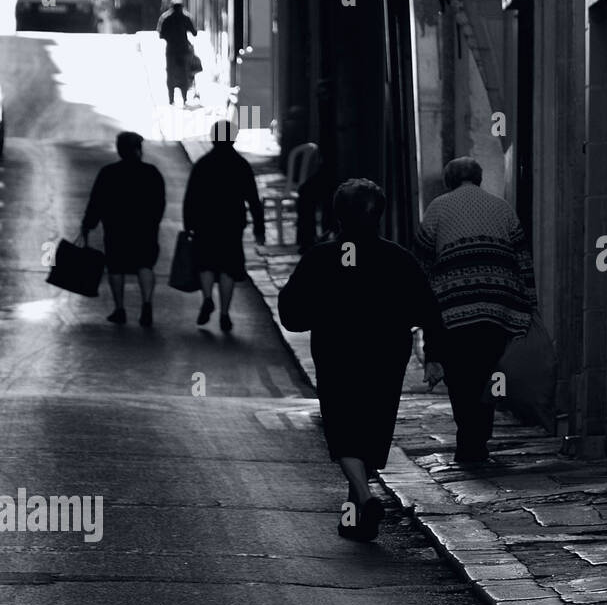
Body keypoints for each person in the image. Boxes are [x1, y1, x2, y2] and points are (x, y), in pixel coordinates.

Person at [278, 179, 443, 542]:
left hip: (338, 355)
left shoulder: (321, 258)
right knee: (371, 428)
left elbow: (291, 312)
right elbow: (429, 309)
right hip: (386, 356)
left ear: (338, 215)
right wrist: (433, 357)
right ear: (379, 215)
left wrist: (319, 312)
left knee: (344, 429)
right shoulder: (398, 259)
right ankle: (356, 514)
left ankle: (364, 499)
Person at [414, 157, 536, 464]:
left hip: (455, 308)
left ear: (449, 180)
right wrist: (529, 304)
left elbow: (422, 261)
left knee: (460, 376)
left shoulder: (438, 208)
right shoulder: (502, 207)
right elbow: (523, 258)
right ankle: (478, 439)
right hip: (498, 307)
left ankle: (468, 439)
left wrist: (422, 306)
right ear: (479, 178)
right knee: (487, 372)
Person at [181, 120, 265, 332]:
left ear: (213, 137)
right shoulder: (241, 165)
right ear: (234, 138)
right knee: (228, 267)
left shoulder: (203, 164)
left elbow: (190, 197)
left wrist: (188, 224)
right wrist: (259, 227)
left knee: (206, 263)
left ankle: (208, 298)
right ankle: (225, 313)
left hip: (204, 222)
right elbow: (253, 199)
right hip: (231, 223)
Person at [80, 132, 166, 326]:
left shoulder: (108, 173)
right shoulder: (151, 173)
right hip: (145, 229)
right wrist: (154, 222)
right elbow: (160, 202)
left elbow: (97, 202)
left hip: (116, 228)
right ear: (138, 150)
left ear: (120, 150)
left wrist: (89, 223)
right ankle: (147, 305)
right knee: (145, 265)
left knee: (116, 267)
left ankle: (120, 309)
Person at [157, 0, 196, 106]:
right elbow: (194, 32)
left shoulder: (166, 18)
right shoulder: (186, 18)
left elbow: (161, 34)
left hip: (171, 50)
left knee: (171, 74)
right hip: (183, 49)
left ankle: (171, 98)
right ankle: (184, 98)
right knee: (184, 73)